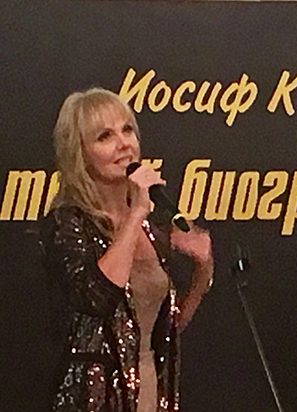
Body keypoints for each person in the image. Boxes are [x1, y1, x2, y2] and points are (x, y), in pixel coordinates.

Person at [40, 88, 214, 412]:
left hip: (150, 393)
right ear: (80, 154)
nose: (123, 143)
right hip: (94, 400)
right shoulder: (68, 222)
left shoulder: (151, 228)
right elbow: (98, 297)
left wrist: (202, 273)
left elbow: (167, 329)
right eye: (105, 136)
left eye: (127, 130)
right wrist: (136, 212)